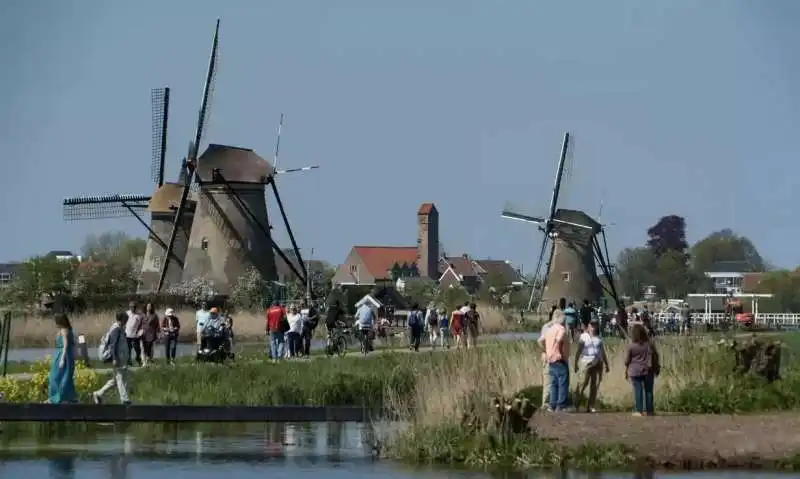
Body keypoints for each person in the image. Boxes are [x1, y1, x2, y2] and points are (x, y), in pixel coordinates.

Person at [92, 312, 131, 405]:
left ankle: (98, 394)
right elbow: (113, 345)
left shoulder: (121, 329)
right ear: (121, 319)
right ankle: (124, 399)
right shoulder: (116, 330)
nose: (127, 321)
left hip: (121, 359)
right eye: (126, 319)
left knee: (115, 380)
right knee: (120, 377)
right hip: (117, 358)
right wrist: (114, 358)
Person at [574, 321, 610, 412]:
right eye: (592, 325)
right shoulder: (584, 337)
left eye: (595, 325)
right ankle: (576, 404)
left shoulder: (599, 338)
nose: (594, 327)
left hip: (597, 361)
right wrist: (576, 363)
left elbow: (602, 351)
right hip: (586, 361)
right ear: (589, 326)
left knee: (594, 384)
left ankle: (590, 405)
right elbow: (579, 350)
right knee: (583, 383)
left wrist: (606, 363)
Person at [625, 323, 660, 416]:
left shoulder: (631, 346)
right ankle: (649, 410)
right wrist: (657, 367)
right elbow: (656, 356)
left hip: (635, 370)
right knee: (649, 390)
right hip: (648, 370)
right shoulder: (650, 344)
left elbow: (628, 360)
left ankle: (638, 410)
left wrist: (626, 370)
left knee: (638, 389)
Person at [543, 309, 570, 412]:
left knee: (553, 383)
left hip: (550, 359)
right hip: (558, 358)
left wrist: (547, 351)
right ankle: (561, 405)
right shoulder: (561, 329)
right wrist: (558, 351)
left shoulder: (549, 330)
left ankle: (552, 405)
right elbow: (558, 340)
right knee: (563, 381)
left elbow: (542, 340)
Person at [47, 313, 77, 404]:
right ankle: (68, 397)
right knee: (66, 377)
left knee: (54, 377)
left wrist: (62, 359)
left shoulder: (64, 330)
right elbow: (73, 345)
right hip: (68, 355)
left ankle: (55, 397)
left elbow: (65, 345)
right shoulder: (69, 330)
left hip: (62, 354)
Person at [537, 310, 557, 410]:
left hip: (554, 357)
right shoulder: (548, 327)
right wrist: (547, 351)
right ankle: (545, 405)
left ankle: (552, 404)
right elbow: (540, 341)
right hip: (549, 357)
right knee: (548, 381)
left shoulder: (553, 326)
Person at [125, 302, 143, 367]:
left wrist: (139, 332)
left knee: (137, 349)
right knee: (128, 349)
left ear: (136, 307)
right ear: (129, 307)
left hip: (135, 335)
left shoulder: (139, 314)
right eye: (131, 307)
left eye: (134, 307)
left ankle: (138, 358)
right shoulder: (126, 313)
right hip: (127, 334)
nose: (133, 308)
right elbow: (123, 322)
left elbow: (141, 324)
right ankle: (129, 362)